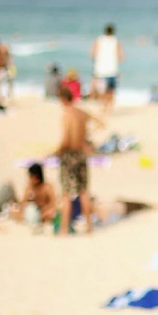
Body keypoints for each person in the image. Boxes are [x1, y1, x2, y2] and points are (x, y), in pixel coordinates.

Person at [57, 85, 102, 235]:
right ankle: (89, 228)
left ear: (63, 99)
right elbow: (101, 123)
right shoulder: (82, 113)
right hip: (82, 155)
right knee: (83, 191)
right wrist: (86, 138)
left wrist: (55, 152)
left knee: (66, 193)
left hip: (70, 155)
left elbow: (65, 141)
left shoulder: (67, 115)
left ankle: (64, 229)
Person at [90, 23, 124, 114]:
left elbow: (92, 54)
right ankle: (109, 109)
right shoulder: (116, 41)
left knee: (101, 92)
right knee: (111, 91)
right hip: (113, 70)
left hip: (100, 70)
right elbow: (121, 57)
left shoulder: (99, 40)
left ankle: (102, 108)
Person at [12, 162, 57, 230]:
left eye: (31, 177)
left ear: (37, 177)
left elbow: (53, 203)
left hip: (46, 211)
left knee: (51, 214)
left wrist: (46, 210)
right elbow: (23, 203)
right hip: (35, 212)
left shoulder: (47, 187)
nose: (29, 179)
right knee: (14, 212)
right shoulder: (30, 187)